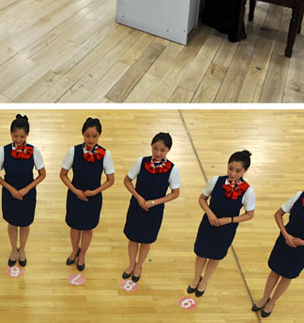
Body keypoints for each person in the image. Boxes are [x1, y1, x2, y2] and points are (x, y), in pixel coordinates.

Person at [253, 170, 304, 318]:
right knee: (274, 270)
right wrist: (285, 234)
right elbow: (278, 214)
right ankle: (264, 298)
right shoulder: (300, 196)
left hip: (302, 248)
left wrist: (303, 242)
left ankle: (272, 302)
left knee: (287, 276)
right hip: (284, 240)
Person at [188, 150, 255, 298]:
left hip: (226, 230)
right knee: (200, 254)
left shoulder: (248, 191)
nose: (232, 174)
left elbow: (249, 215)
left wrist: (229, 220)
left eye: (238, 171)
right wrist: (210, 213)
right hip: (208, 224)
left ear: (245, 170)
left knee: (215, 257)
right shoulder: (216, 180)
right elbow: (202, 199)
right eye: (230, 168)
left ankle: (204, 281)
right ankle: (195, 278)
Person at [122, 132, 180, 284]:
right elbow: (127, 181)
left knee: (146, 241)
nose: (158, 153)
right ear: (151, 146)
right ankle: (131, 264)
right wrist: (138, 197)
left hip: (154, 210)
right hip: (136, 206)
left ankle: (139, 266)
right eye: (155, 148)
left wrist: (154, 202)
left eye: (162, 150)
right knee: (133, 239)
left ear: (168, 150)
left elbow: (175, 194)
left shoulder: (173, 169)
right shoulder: (141, 162)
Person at [60, 117, 115, 272]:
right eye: (87, 135)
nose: (91, 139)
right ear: (82, 134)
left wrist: (93, 192)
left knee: (88, 228)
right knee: (74, 226)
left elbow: (111, 180)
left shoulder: (105, 154)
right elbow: (63, 174)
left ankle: (82, 254)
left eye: (94, 136)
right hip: (74, 196)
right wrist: (75, 190)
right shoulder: (73, 151)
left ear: (99, 136)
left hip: (93, 198)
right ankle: (74, 250)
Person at [0, 114, 46, 267]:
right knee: (12, 222)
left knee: (25, 223)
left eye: (22, 136)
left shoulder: (34, 151)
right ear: (11, 134)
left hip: (27, 194)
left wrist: (26, 190)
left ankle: (22, 249)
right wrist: (11, 189)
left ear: (27, 135)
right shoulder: (3, 151)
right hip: (10, 194)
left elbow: (42, 174)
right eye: (15, 136)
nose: (18, 139)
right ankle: (13, 250)